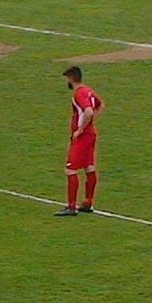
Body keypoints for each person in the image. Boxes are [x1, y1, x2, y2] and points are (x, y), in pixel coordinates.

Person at [55, 66, 103, 216]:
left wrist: (80, 129)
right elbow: (100, 106)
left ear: (71, 78)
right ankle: (88, 202)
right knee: (89, 167)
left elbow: (88, 111)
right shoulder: (88, 91)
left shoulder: (79, 94)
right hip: (91, 134)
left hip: (83, 136)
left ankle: (71, 206)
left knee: (70, 169)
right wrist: (90, 124)